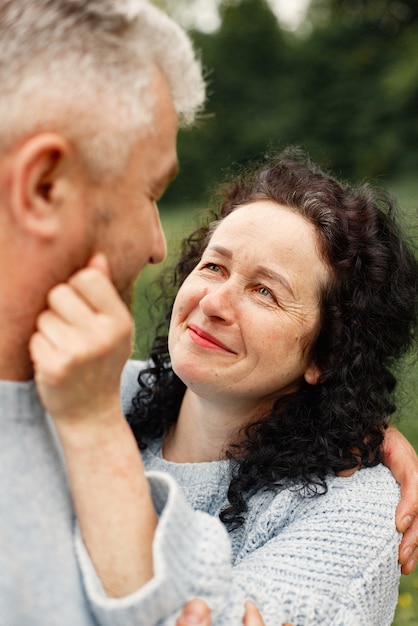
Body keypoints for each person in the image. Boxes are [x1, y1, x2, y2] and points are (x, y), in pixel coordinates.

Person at [31, 148, 418, 625]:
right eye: (214, 266)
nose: (214, 301)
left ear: (327, 353)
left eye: (265, 291)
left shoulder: (354, 511)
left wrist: (91, 425)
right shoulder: (102, 391)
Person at [0, 0, 228, 623]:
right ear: (45, 187)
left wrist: (346, 419)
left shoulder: (101, 387)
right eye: (150, 191)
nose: (159, 246)